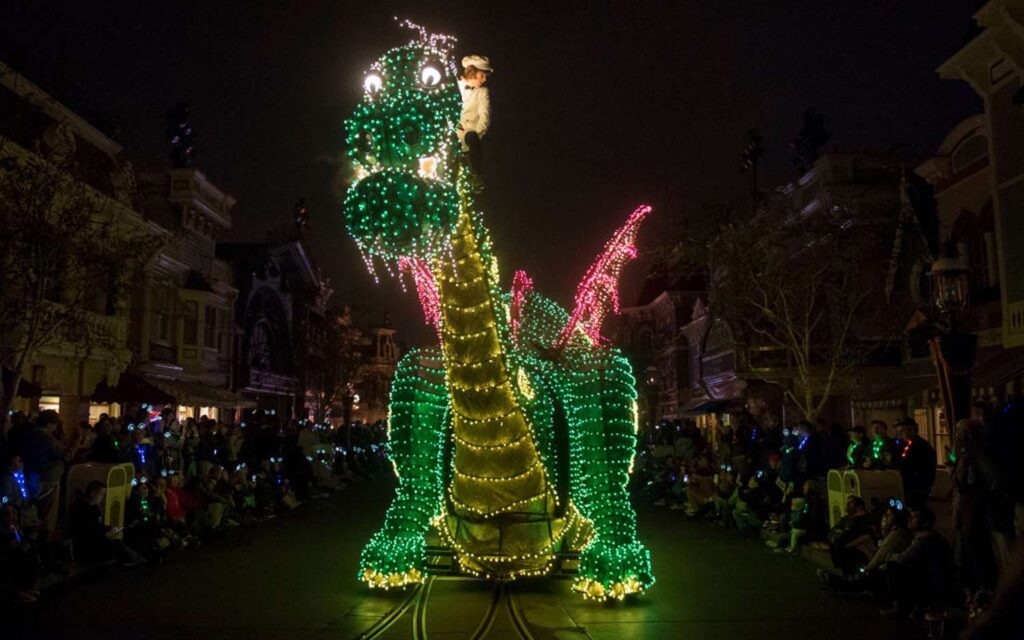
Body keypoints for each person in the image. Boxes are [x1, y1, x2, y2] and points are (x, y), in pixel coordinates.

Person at [881, 506, 953, 617]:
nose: (910, 519)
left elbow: (903, 558)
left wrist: (890, 557)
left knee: (893, 566)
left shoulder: (924, 539)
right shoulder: (926, 537)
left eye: (915, 517)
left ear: (925, 522)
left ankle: (901, 606)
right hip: (934, 578)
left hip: (932, 582)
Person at [67, 481, 144, 567]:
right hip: (87, 547)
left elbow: (97, 526)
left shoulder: (94, 507)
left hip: (96, 541)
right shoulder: (80, 509)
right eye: (101, 494)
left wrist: (110, 528)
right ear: (93, 493)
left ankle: (136, 559)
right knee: (117, 545)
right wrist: (106, 534)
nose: (102, 497)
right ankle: (136, 560)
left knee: (118, 543)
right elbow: (85, 533)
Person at [457, 54, 493, 191]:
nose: (484, 80)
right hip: (452, 131)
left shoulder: (482, 92)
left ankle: (476, 176)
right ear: (472, 72)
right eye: (481, 76)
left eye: (485, 77)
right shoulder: (454, 86)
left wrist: (475, 136)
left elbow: (485, 115)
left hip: (471, 134)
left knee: (471, 136)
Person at [894, 417, 937, 509]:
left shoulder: (922, 446)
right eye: (899, 432)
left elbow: (926, 466)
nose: (900, 434)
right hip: (905, 484)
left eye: (903, 431)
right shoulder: (901, 445)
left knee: (917, 509)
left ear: (912, 430)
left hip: (918, 486)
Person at [827, 495, 875, 576]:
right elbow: (833, 532)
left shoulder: (863, 520)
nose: (847, 505)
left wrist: (841, 534)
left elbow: (850, 533)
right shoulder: (845, 519)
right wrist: (837, 536)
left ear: (859, 507)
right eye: (847, 503)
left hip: (857, 553)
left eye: (850, 503)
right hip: (844, 551)